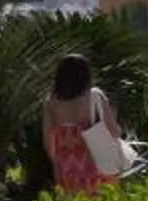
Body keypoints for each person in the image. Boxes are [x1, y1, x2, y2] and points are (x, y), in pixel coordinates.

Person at [44, 53, 129, 193]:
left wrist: (58, 162)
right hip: (97, 163)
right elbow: (114, 131)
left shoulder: (51, 103)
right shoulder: (95, 96)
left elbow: (48, 140)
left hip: (67, 167)